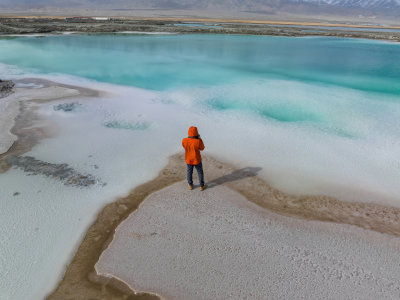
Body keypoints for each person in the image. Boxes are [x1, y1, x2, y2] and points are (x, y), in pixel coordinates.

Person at [182, 126, 206, 191]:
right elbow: (202, 148)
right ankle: (202, 185)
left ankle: (190, 185)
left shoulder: (184, 140)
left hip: (188, 159)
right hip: (196, 160)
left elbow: (184, 146)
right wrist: (200, 138)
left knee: (189, 172)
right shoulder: (198, 141)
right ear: (196, 133)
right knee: (200, 172)